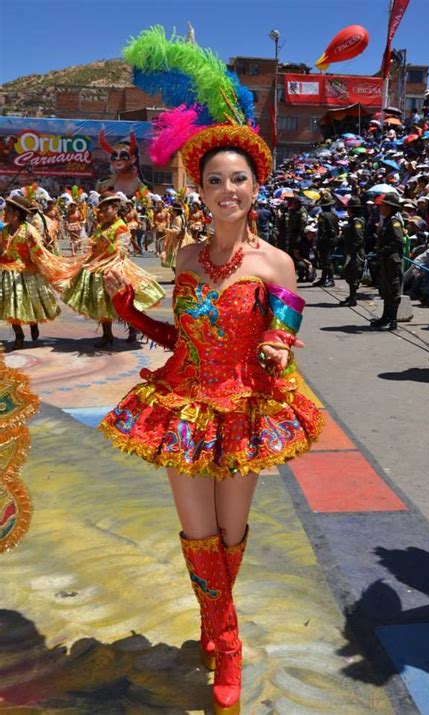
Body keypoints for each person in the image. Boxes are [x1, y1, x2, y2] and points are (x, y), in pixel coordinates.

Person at [98, 24, 323, 715]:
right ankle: (225, 640)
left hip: (245, 406)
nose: (229, 189)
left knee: (230, 533)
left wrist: (278, 349)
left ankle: (215, 619)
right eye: (217, 179)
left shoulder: (276, 264)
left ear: (257, 184)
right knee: (196, 533)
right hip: (185, 405)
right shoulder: (188, 260)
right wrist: (131, 315)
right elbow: (180, 338)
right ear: (200, 187)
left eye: (240, 178)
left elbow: (286, 327)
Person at [61, 192, 165, 348]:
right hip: (99, 267)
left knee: (125, 301)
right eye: (100, 210)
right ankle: (107, 334)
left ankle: (133, 328)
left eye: (105, 209)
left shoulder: (121, 226)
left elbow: (121, 249)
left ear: (115, 208)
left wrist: (107, 244)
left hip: (116, 267)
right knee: (102, 301)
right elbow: (94, 245)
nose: (101, 213)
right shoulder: (102, 226)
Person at [0, 195, 62, 349]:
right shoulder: (6, 230)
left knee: (29, 302)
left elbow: (38, 253)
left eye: (7, 211)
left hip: (26, 273)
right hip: (7, 272)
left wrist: (46, 267)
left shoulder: (29, 231)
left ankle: (33, 323)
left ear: (17, 214)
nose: (4, 214)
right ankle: (19, 335)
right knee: (11, 304)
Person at [371, 193, 404, 331]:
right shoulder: (387, 220)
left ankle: (392, 320)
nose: (380, 208)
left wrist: (383, 249)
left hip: (392, 259)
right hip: (385, 259)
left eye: (383, 205)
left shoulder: (394, 221)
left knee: (393, 290)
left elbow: (398, 241)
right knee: (386, 289)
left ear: (389, 207)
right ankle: (385, 316)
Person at [339, 197, 365, 306]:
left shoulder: (357, 221)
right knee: (349, 274)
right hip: (349, 251)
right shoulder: (351, 220)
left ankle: (353, 298)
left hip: (355, 253)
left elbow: (359, 238)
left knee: (354, 275)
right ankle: (350, 296)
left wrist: (354, 250)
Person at [313, 193, 339, 287]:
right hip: (333, 239)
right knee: (326, 260)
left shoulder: (322, 215)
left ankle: (331, 280)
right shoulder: (334, 215)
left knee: (326, 260)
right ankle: (324, 278)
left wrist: (318, 241)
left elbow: (322, 230)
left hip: (325, 240)